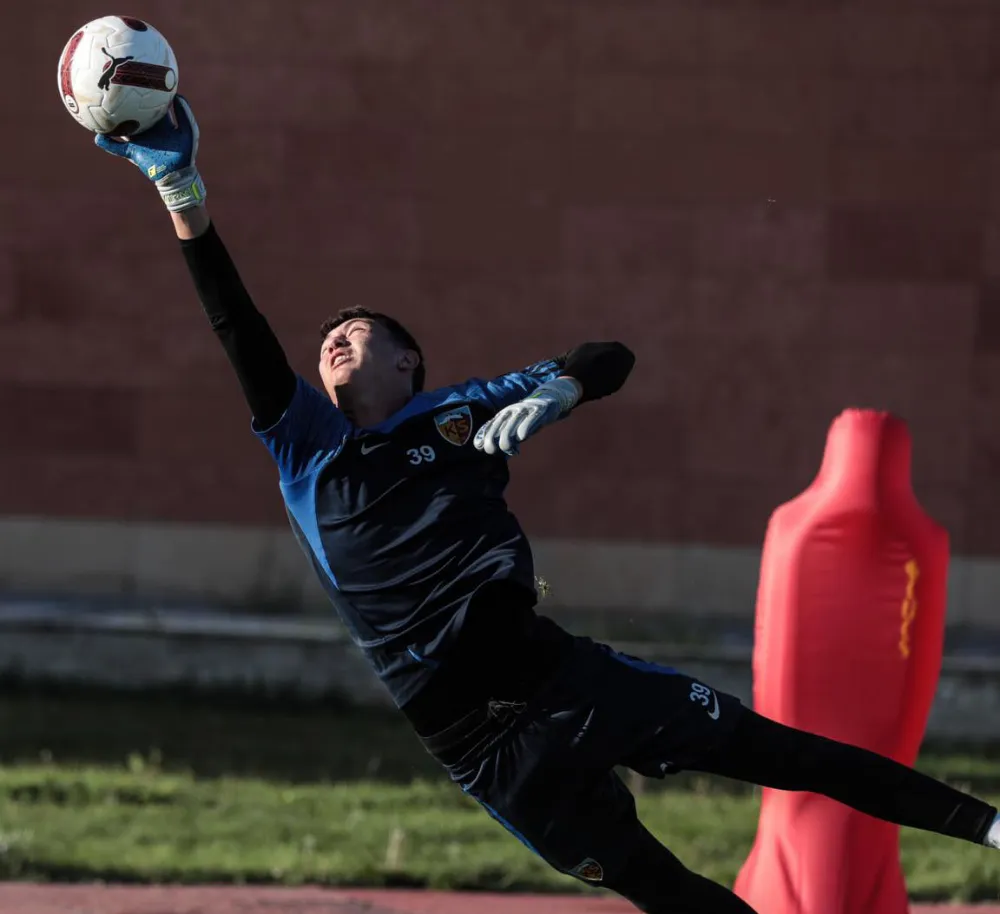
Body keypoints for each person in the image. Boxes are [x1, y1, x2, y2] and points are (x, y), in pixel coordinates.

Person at [92, 97, 1000, 913]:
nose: (333, 341)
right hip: (481, 751)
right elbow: (234, 322)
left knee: (784, 754)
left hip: (560, 679)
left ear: (409, 364)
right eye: (327, 336)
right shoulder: (303, 446)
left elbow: (610, 354)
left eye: (357, 333)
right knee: (664, 889)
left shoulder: (461, 411)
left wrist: (563, 389)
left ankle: (988, 827)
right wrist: (179, 184)